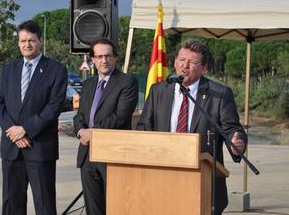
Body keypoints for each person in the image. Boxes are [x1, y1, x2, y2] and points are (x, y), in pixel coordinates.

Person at [137, 39, 247, 215]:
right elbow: (144, 127)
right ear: (175, 62)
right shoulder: (158, 91)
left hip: (204, 182)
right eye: (181, 60)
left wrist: (237, 142)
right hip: (162, 178)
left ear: (204, 68)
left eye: (192, 62)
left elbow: (232, 129)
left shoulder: (219, 94)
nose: (184, 66)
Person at [0, 20, 68, 215]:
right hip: (12, 149)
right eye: (23, 40)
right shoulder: (8, 70)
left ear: (40, 41)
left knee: (44, 203)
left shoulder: (56, 70)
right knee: (11, 203)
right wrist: (14, 134)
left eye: (31, 40)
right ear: (18, 43)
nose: (27, 44)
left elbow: (54, 107)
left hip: (40, 147)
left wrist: (25, 129)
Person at [73, 38, 139, 215]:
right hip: (87, 155)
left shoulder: (127, 82)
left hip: (112, 156)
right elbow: (80, 116)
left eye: (108, 55)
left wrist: (92, 133)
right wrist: (81, 132)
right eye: (99, 56)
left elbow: (120, 116)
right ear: (92, 59)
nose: (104, 60)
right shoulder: (87, 85)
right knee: (93, 210)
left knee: (116, 208)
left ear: (115, 58)